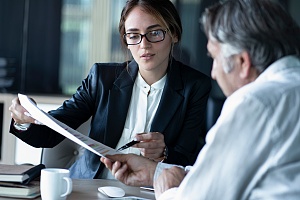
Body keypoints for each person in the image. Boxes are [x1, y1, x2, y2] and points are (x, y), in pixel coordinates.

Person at [101, 0, 300, 199]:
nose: (213, 73)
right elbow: (223, 177)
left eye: (215, 58)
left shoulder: (254, 103)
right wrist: (155, 173)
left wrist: (168, 192)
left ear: (242, 62)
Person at [8, 0, 211, 179]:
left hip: (150, 191)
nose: (144, 45)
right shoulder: (102, 78)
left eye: (155, 33)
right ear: (126, 40)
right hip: (91, 186)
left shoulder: (195, 86)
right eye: (133, 35)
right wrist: (23, 120)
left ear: (174, 34)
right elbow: (51, 133)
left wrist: (164, 152)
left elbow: (189, 159)